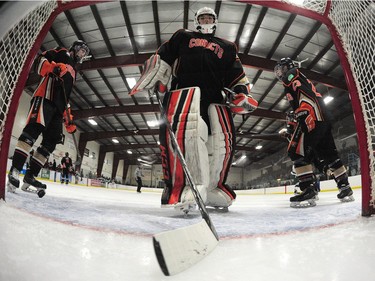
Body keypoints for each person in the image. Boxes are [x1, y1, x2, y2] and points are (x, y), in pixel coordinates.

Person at [130, 7, 258, 211]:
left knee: (221, 142)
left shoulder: (227, 46)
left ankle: (215, 186)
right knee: (188, 136)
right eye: (202, 17)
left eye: (209, 18)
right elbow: (163, 56)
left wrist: (241, 92)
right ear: (197, 20)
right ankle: (183, 187)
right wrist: (159, 76)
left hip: (215, 99)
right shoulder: (183, 36)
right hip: (184, 93)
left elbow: (237, 75)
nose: (206, 20)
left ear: (215, 21)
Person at [7, 40, 89, 196]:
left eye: (85, 53)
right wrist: (53, 67)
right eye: (82, 50)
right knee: (31, 132)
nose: (83, 54)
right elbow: (40, 60)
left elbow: (66, 98)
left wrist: (68, 117)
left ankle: (30, 176)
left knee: (51, 142)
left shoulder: (73, 73)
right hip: (44, 98)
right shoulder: (62, 52)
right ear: (75, 48)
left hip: (58, 109)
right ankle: (15, 170)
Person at [274, 57, 354, 207]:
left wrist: (305, 112)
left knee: (296, 151)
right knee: (330, 156)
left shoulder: (291, 75)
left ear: (287, 67)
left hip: (313, 116)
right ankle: (345, 187)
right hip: (323, 118)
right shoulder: (296, 75)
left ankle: (307, 189)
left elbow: (303, 92)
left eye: (281, 68)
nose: (279, 72)